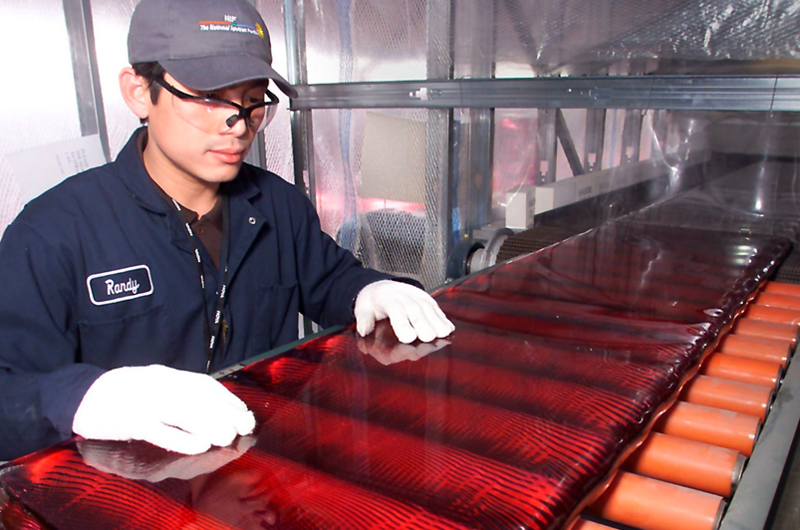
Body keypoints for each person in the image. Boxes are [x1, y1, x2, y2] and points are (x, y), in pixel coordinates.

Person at [0, 0, 453, 462]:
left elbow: (328, 279)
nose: (237, 124)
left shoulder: (277, 205)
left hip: (263, 471)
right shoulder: (53, 234)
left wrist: (369, 290)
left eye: (253, 100)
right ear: (139, 92)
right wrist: (83, 396)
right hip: (129, 493)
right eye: (209, 97)